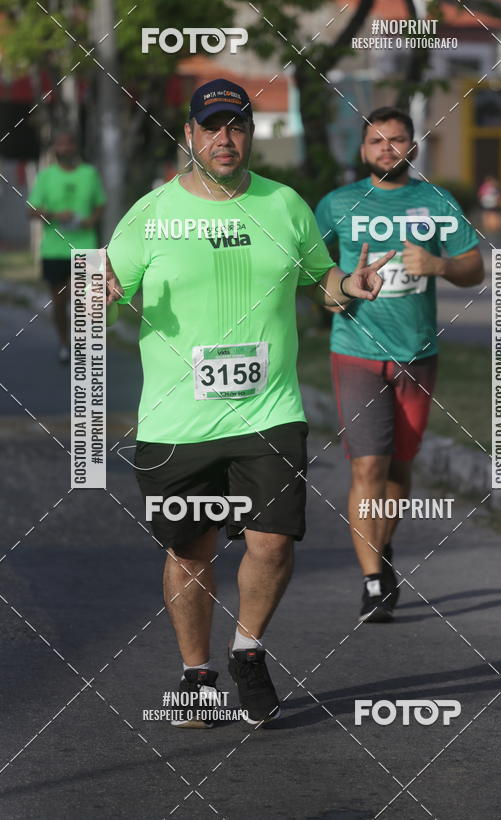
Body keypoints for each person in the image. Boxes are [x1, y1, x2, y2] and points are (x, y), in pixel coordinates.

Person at [105, 79, 395, 727]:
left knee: (271, 544)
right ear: (189, 135)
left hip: (269, 412)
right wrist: (97, 296)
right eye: (211, 127)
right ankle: (196, 674)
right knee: (192, 552)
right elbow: (109, 285)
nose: (224, 138)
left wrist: (350, 283)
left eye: (235, 126)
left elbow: (321, 279)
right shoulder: (150, 214)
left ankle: (248, 651)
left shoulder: (285, 205)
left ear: (251, 134)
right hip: (178, 422)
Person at [316, 106, 484, 624]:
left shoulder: (435, 201)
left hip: (417, 353)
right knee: (368, 464)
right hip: (356, 351)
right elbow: (313, 276)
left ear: (412, 147)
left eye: (397, 140)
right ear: (362, 151)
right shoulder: (337, 205)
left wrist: (440, 265)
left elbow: (475, 267)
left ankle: (380, 544)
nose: (387, 148)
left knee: (400, 468)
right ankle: (371, 582)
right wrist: (338, 292)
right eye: (376, 141)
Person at [28, 130, 106, 362]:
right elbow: (31, 211)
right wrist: (53, 214)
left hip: (84, 247)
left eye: (68, 143)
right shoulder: (46, 177)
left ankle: (84, 347)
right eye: (60, 144)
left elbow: (101, 204)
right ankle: (65, 344)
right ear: (55, 149)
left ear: (75, 147)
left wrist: (92, 219)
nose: (65, 148)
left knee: (83, 301)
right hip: (54, 250)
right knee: (60, 302)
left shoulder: (89, 174)